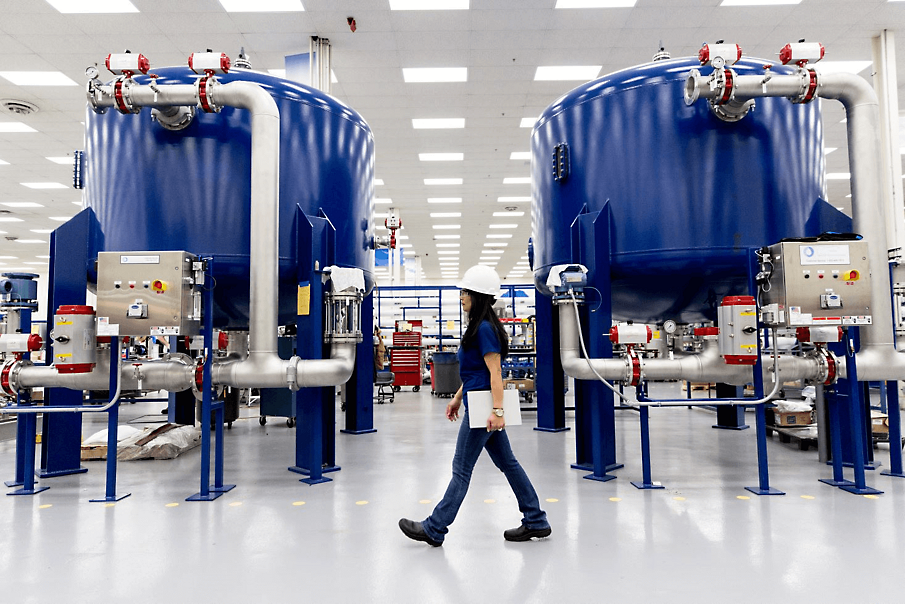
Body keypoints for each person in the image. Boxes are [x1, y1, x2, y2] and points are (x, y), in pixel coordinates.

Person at [399, 265, 551, 546]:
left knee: (461, 469)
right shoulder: (479, 327)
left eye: (466, 291)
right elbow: (475, 372)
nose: (462, 296)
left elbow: (495, 373)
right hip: (477, 401)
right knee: (509, 463)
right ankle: (536, 519)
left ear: (479, 295)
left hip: (483, 410)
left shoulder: (484, 329)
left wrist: (497, 411)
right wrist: (457, 396)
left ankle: (435, 527)